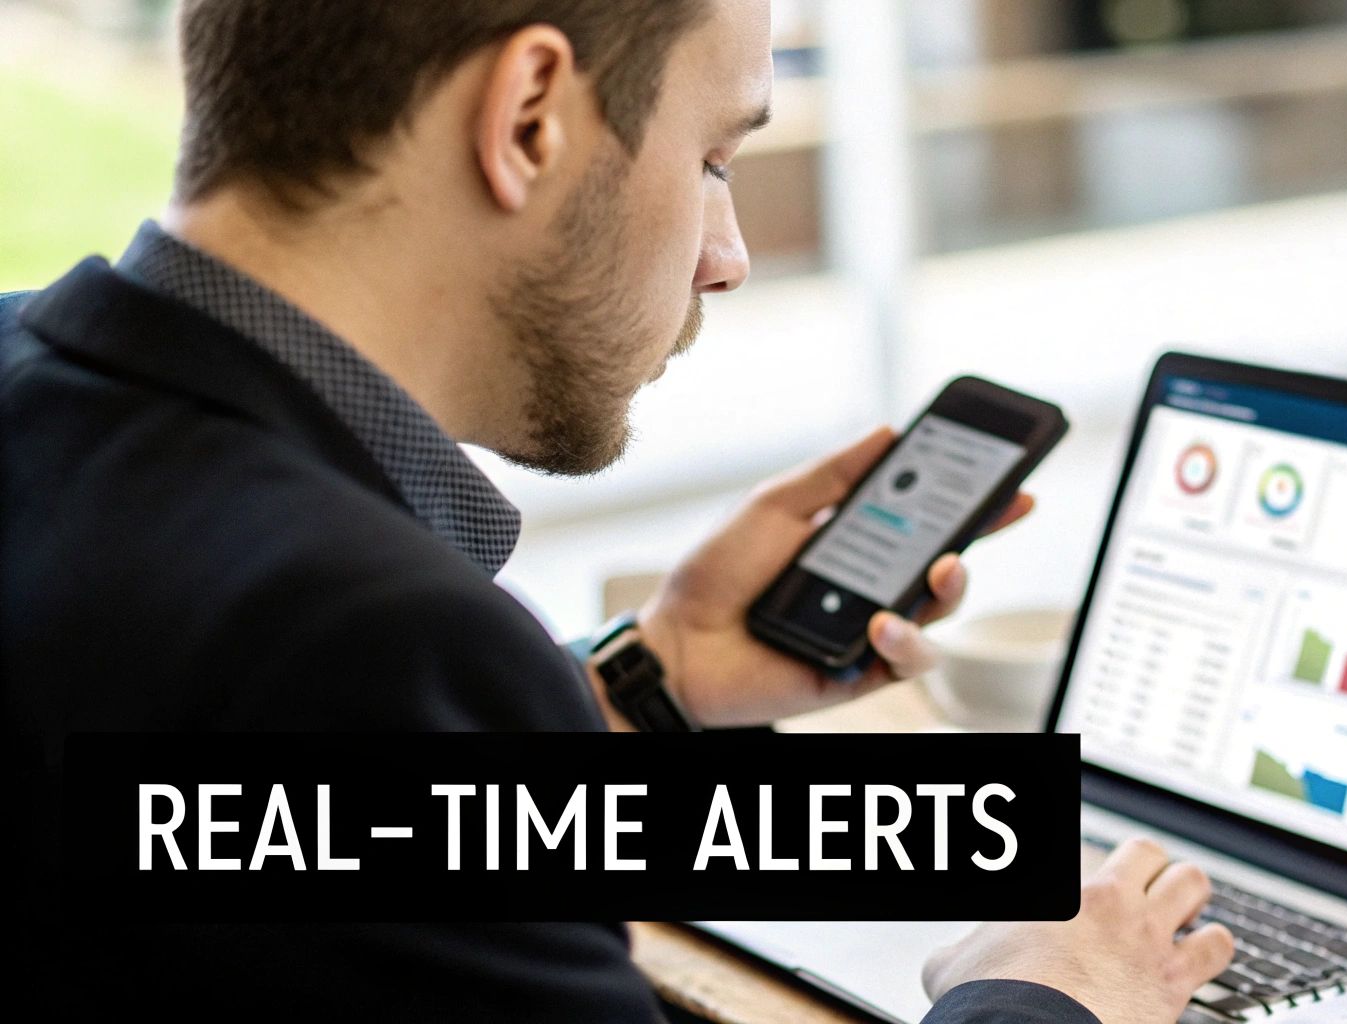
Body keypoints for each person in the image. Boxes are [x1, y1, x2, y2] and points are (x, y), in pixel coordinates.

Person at [0, 1, 1234, 1020]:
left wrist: (640, 686)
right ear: (529, 116)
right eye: (709, 158)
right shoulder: (354, 639)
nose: (726, 254)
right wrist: (1047, 995)